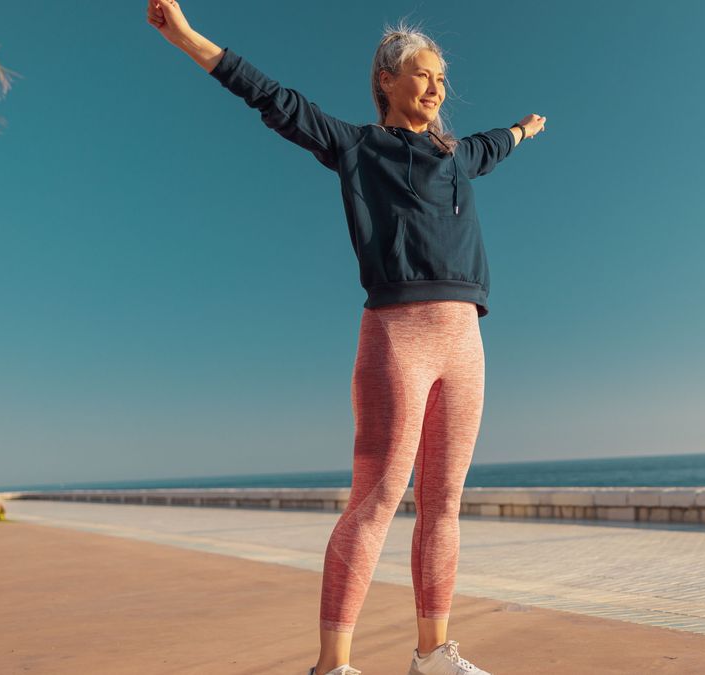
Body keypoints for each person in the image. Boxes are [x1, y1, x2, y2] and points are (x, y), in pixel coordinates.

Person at [147, 3, 546, 675]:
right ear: (386, 81)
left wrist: (525, 129)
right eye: (422, 75)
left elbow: (497, 142)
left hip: (465, 342)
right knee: (378, 497)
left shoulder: (460, 156)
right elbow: (270, 97)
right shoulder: (358, 148)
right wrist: (187, 37)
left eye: (441, 80)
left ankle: (432, 653)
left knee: (444, 503)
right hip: (398, 333)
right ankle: (332, 665)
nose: (435, 88)